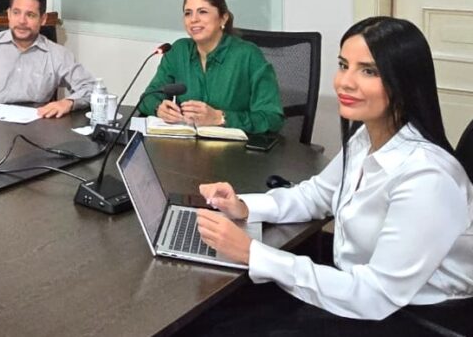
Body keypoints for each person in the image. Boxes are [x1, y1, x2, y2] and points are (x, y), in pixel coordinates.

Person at [190, 17, 473, 334]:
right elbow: (317, 195)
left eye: (368, 71)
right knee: (218, 315)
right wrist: (244, 206)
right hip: (356, 291)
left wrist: (252, 252)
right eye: (343, 65)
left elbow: (375, 296)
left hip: (413, 317)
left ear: (405, 82)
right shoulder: (367, 137)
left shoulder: (427, 177)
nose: (345, 82)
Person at [137, 0, 283, 133]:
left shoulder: (248, 55)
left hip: (235, 151)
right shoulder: (178, 51)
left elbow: (272, 119)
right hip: (187, 148)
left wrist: (220, 118)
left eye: (203, 12)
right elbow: (148, 98)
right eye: (188, 13)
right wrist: (159, 108)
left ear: (223, 18)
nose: (193, 19)